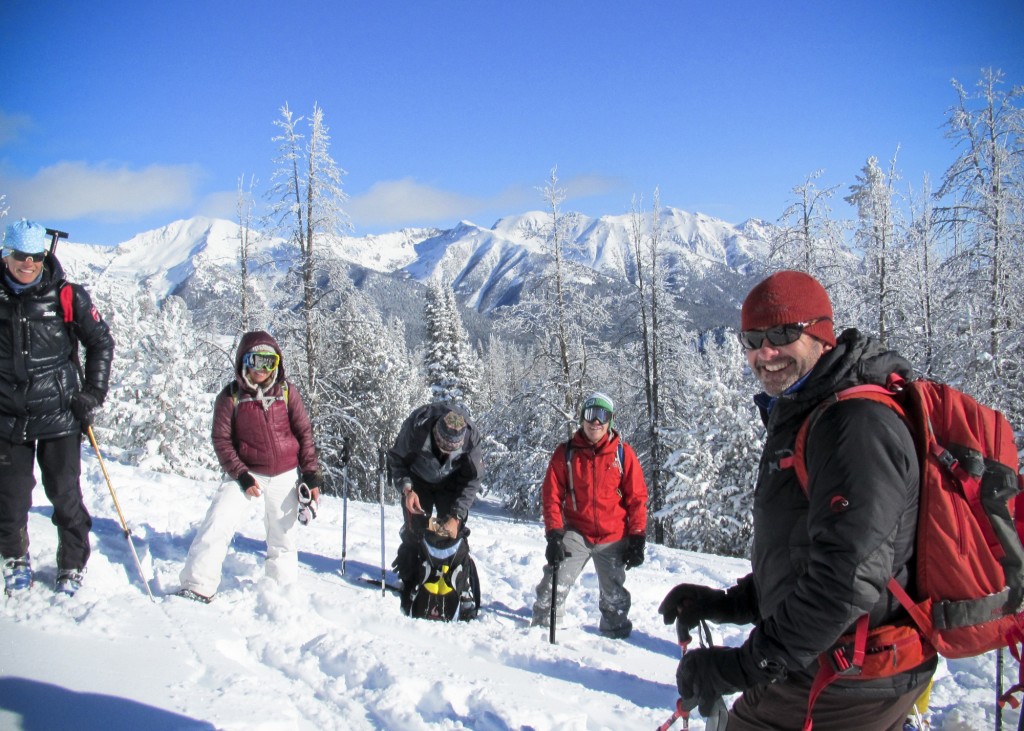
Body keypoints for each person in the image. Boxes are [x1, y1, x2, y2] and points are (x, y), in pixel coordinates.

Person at [658, 270, 935, 730]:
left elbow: (845, 582)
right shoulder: (813, 411)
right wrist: (729, 603)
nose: (766, 352)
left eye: (783, 334)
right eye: (753, 338)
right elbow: (808, 555)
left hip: (847, 673)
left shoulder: (854, 427)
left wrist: (742, 668)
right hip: (836, 661)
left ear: (820, 336)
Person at [0, 219, 114, 597]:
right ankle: (14, 557)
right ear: (7, 254)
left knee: (64, 492)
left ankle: (71, 563)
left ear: (44, 255)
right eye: (20, 255)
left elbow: (100, 343)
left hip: (60, 413)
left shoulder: (68, 296)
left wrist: (92, 394)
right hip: (8, 415)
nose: (28, 264)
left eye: (35, 256)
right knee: (11, 495)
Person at [177, 330, 320, 602]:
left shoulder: (287, 392)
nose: (262, 370)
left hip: (285, 474)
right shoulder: (230, 397)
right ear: (244, 360)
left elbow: (304, 433)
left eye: (270, 362)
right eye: (256, 361)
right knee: (218, 521)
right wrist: (241, 475)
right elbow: (222, 440)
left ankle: (281, 592)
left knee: (283, 537)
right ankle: (197, 584)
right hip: (248, 472)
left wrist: (311, 475)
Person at [531, 392, 648, 639]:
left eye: (602, 415)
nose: (595, 421)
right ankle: (542, 629)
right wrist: (554, 535)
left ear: (610, 421)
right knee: (553, 584)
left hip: (613, 536)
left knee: (614, 597)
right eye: (590, 414)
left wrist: (637, 537)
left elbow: (637, 498)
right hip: (577, 533)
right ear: (582, 418)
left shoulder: (622, 454)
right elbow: (551, 496)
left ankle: (616, 638)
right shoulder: (567, 453)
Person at [387, 402, 483, 613]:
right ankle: (411, 578)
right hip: (417, 480)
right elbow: (396, 459)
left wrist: (457, 515)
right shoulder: (416, 427)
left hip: (452, 483)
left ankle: (456, 580)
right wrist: (407, 489)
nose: (446, 453)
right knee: (416, 530)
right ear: (435, 435)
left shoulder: (471, 439)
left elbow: (473, 480)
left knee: (452, 532)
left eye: (452, 450)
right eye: (442, 448)